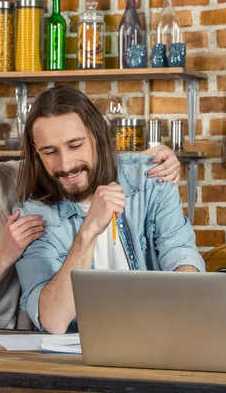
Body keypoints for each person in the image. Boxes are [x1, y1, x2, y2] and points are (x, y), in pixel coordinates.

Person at [0, 95, 184, 329]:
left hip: (19, 341)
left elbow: (71, 165)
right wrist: (5, 257)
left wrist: (152, 158)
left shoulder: (9, 178)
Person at [15, 86, 205, 335]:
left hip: (160, 336)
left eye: (75, 145)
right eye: (50, 152)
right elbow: (53, 320)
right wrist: (88, 231)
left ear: (97, 135)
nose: (66, 164)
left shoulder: (150, 179)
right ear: (37, 153)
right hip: (80, 355)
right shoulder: (33, 215)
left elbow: (182, 258)